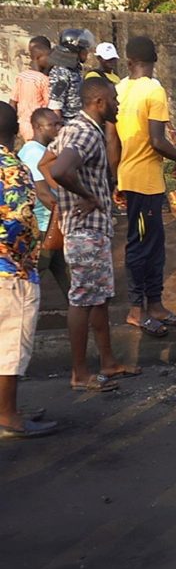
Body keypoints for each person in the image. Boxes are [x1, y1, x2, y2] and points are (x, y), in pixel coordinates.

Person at [50, 77, 139, 392]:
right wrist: (86, 197)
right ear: (99, 102)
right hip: (85, 232)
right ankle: (80, 373)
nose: (117, 104)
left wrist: (62, 202)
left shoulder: (73, 128)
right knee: (83, 299)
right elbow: (59, 170)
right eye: (114, 98)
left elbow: (47, 162)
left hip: (90, 230)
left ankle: (108, 363)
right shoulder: (87, 133)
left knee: (98, 298)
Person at [115, 36, 176, 338]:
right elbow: (156, 140)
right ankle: (137, 311)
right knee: (141, 246)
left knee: (154, 244)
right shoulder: (153, 90)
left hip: (130, 177)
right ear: (155, 59)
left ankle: (155, 305)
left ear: (129, 60)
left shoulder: (119, 88)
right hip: (143, 181)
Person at [0, 101, 58, 438]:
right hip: (11, 271)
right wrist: (26, 257)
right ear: (13, 132)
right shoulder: (14, 165)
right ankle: (8, 416)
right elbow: (21, 219)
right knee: (10, 345)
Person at [19, 108, 69, 298]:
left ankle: (83, 314)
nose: (58, 128)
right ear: (38, 127)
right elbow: (43, 193)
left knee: (65, 272)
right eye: (53, 124)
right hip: (42, 226)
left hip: (50, 223)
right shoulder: (33, 153)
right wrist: (68, 215)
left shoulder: (41, 151)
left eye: (59, 123)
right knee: (34, 276)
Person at [10, 36, 52, 142]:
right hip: (38, 126)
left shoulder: (22, 76)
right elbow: (49, 105)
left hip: (22, 125)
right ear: (38, 58)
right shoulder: (44, 80)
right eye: (48, 57)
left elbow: (12, 102)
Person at [48, 28, 95, 123]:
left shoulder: (74, 69)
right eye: (84, 49)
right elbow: (55, 105)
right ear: (75, 50)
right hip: (68, 123)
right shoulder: (62, 72)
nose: (87, 52)